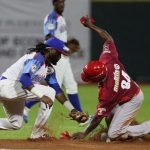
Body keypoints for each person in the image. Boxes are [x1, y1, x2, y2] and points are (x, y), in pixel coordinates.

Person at [72, 15, 150, 141]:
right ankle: (127, 136)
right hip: (125, 92)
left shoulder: (107, 92)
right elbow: (108, 37)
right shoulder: (107, 59)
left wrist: (84, 134)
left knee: (113, 133)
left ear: (97, 78)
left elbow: (98, 118)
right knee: (109, 118)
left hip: (133, 99)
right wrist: (91, 26)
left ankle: (145, 128)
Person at [0, 37, 88, 139]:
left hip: (14, 91)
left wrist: (73, 110)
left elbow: (57, 90)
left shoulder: (49, 68)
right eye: (59, 53)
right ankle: (37, 135)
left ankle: (36, 134)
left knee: (15, 124)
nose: (60, 57)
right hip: (7, 86)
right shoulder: (38, 57)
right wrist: (42, 96)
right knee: (49, 91)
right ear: (50, 49)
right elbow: (24, 79)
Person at [23, 0, 87, 125]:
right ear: (54, 3)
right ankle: (26, 107)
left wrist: (66, 45)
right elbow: (49, 37)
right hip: (57, 56)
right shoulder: (52, 17)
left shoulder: (60, 17)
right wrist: (65, 47)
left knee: (71, 85)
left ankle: (80, 116)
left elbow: (58, 37)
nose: (61, 4)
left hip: (63, 56)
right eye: (58, 2)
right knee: (51, 88)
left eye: (63, 2)